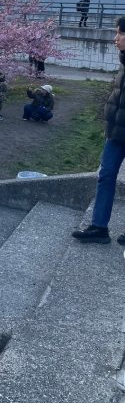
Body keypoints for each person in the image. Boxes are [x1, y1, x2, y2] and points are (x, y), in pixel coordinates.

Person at [73, 17, 125, 244]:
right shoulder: (124, 62)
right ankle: (99, 227)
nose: (115, 39)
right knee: (105, 176)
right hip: (116, 134)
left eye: (119, 34)